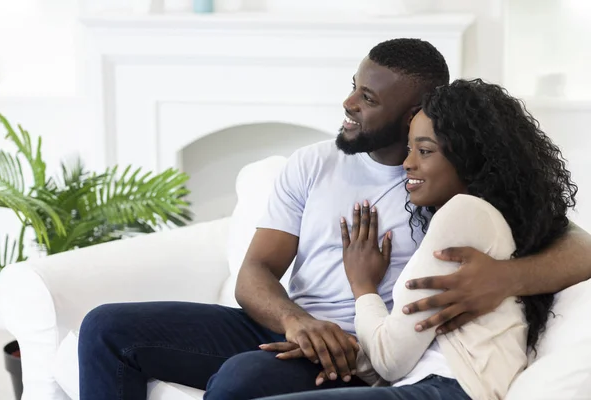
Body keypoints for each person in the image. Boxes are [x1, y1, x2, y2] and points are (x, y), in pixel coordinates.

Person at [77, 39, 591, 400]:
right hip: (289, 325)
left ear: (415, 111)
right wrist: (297, 321)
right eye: (353, 86)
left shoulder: (445, 182)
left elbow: (578, 246)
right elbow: (255, 272)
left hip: (355, 352)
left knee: (241, 380)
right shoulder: (312, 163)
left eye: (368, 99)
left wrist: (503, 277)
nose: (348, 103)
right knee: (106, 328)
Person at [255, 79, 578, 400]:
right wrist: (335, 354)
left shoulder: (464, 214)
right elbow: (396, 359)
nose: (408, 163)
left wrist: (363, 286)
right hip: (426, 386)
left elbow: (391, 360)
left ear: (470, 157)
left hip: (448, 390)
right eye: (410, 148)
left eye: (424, 151)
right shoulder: (477, 220)